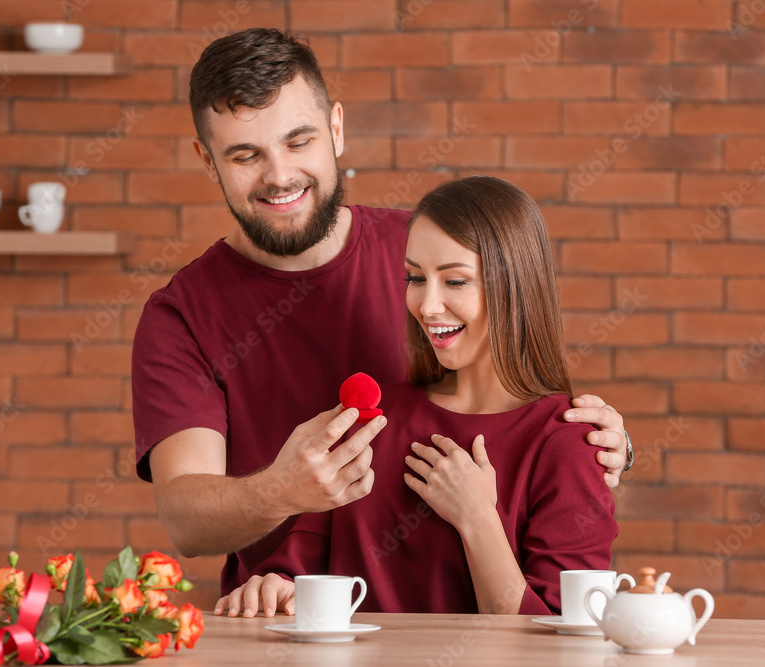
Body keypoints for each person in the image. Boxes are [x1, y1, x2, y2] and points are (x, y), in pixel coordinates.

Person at [131, 28, 631, 597]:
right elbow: (186, 519)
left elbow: (519, 402)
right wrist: (284, 491)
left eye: (299, 142)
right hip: (290, 626)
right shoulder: (181, 315)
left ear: (337, 129)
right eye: (246, 155)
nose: (279, 176)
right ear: (207, 160)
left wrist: (590, 444)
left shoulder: (425, 246)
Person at [214, 176, 618, 617]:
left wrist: (477, 519)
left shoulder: (570, 442)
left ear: (515, 285)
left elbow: (559, 645)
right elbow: (306, 556)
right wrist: (278, 584)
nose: (426, 305)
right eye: (415, 277)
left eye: (456, 281)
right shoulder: (373, 421)